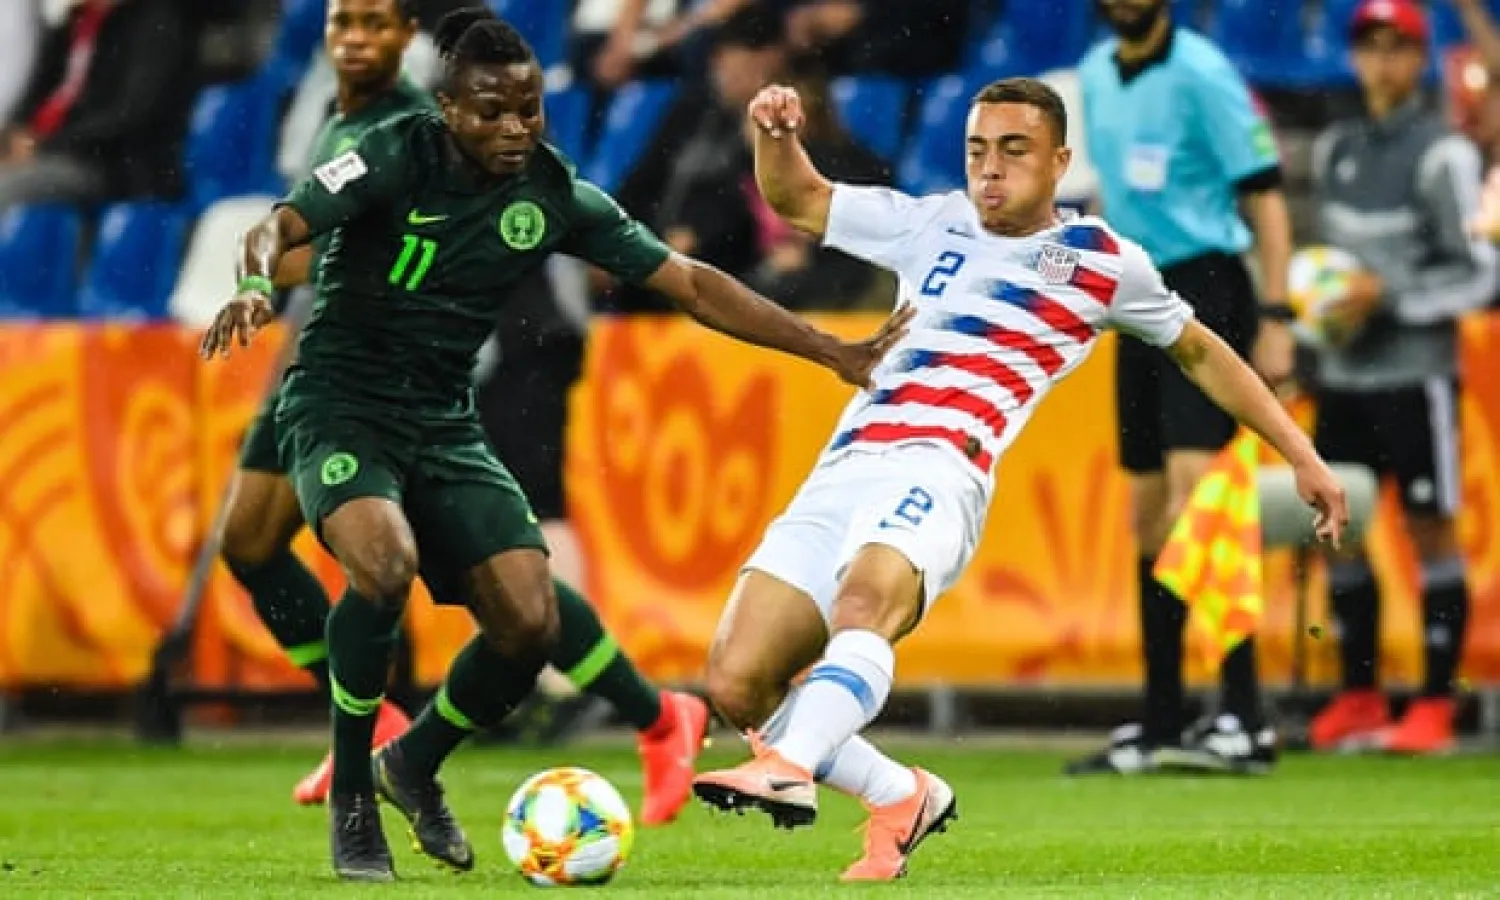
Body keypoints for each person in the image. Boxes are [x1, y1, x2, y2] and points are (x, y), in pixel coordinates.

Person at [199, 7, 908, 882]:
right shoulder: (391, 148)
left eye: (528, 110)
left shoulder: (550, 192)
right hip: (340, 404)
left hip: (444, 420)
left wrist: (829, 349)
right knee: (379, 568)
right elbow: (277, 223)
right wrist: (255, 282)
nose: (513, 129)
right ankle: (353, 798)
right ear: (448, 109)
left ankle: (410, 764)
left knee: (528, 622)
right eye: (491, 112)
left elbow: (689, 282)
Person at [691, 78, 1348, 882]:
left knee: (865, 603)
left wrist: (1302, 455)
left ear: (1061, 161)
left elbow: (1201, 350)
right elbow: (799, 198)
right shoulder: (928, 221)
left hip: (944, 464)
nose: (990, 170)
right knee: (737, 680)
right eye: (977, 150)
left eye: (1014, 151)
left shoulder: (1102, 262)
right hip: (844, 467)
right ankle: (903, 795)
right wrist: (775, 132)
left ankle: (788, 765)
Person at [222, 0, 713, 821]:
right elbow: (318, 238)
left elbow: (372, 246)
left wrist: (284, 261)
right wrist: (270, 267)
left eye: (376, 24)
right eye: (343, 22)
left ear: (408, 41)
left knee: (497, 571)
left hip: (436, 365)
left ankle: (650, 713)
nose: (355, 39)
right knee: (251, 542)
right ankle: (379, 719)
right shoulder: (335, 119)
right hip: (332, 360)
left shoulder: (427, 128)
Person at [1067, 0, 1298, 775]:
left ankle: (1245, 716)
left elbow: (1265, 196)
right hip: (1134, 294)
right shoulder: (1095, 75)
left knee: (1203, 498)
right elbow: (1110, 202)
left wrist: (1275, 313)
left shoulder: (1205, 72)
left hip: (1209, 286)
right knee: (1145, 513)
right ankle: (1163, 717)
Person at [1304, 0, 1495, 755]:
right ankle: (1358, 695)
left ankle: (1435, 707)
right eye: (1370, 46)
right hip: (1344, 377)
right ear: (1355, 57)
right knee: (1340, 533)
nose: (1382, 61)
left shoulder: (1444, 152)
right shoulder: (1334, 149)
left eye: (1397, 48)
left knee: (1429, 531)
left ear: (1419, 60)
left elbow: (1482, 273)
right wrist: (1321, 321)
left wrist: (1391, 299)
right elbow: (1328, 272)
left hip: (1417, 378)